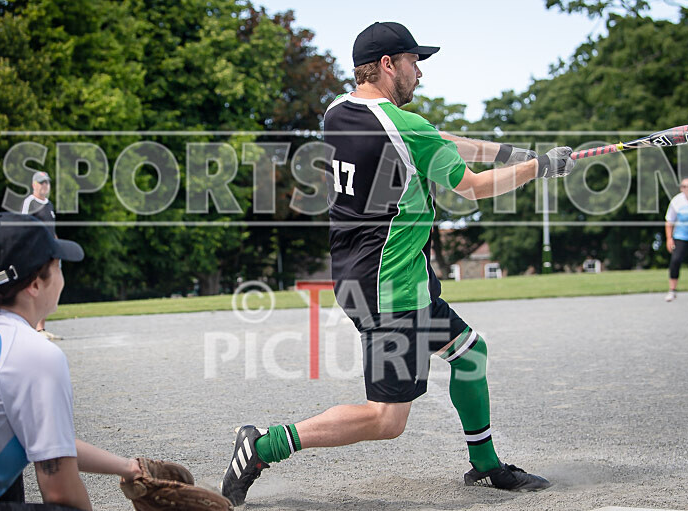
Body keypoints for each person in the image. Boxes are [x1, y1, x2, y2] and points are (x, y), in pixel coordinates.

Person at [220, 21, 577, 506]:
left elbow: (436, 139)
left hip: (373, 273)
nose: (420, 74)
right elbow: (470, 186)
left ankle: (486, 464)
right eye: (414, 62)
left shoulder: (338, 112)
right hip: (391, 287)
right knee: (386, 419)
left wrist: (512, 152)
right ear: (388, 65)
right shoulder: (408, 128)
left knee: (469, 354)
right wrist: (539, 168)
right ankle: (262, 445)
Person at [0, 212, 141, 510]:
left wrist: (126, 467)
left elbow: (47, 440)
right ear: (35, 284)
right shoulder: (32, 353)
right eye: (57, 265)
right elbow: (61, 496)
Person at [21, 171, 60, 340]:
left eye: (47, 183)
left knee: (48, 287)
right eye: (41, 182)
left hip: (51, 251)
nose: (44, 185)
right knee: (34, 286)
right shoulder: (30, 202)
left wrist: (57, 247)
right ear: (34, 185)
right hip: (36, 251)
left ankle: (41, 328)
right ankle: (32, 327)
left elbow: (52, 229)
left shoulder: (49, 204)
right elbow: (23, 226)